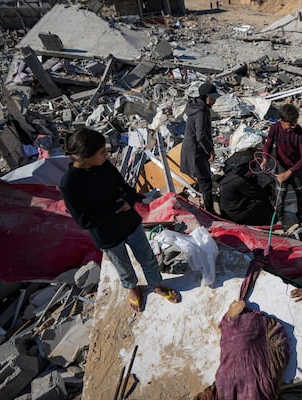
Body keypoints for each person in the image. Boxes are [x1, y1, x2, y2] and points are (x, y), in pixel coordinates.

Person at [60, 127, 181, 312]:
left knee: (147, 258)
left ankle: (157, 285)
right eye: (101, 152)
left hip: (130, 224)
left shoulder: (104, 166)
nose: (106, 155)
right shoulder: (69, 184)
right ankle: (132, 289)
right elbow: (84, 220)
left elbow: (126, 188)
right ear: (85, 157)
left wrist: (129, 200)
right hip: (107, 236)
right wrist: (117, 208)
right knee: (123, 267)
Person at [260, 103, 302, 224]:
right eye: (290, 123)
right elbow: (268, 145)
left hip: (296, 168)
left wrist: (289, 172)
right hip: (281, 166)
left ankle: (301, 215)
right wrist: (265, 158)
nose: (293, 126)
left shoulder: (299, 133)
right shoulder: (275, 128)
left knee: (300, 193)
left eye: (295, 122)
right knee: (280, 196)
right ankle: (280, 219)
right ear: (282, 121)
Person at [180, 82, 221, 214]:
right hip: (196, 151)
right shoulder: (201, 112)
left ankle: (206, 207)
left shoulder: (195, 107)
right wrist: (210, 150)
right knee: (205, 182)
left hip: (193, 149)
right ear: (206, 97)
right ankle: (209, 212)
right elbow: (201, 135)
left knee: (203, 179)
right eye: (213, 98)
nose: (214, 100)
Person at [219, 150, 275, 226]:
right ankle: (265, 223)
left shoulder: (229, 177)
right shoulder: (239, 181)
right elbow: (257, 194)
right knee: (261, 201)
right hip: (235, 214)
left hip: (228, 211)